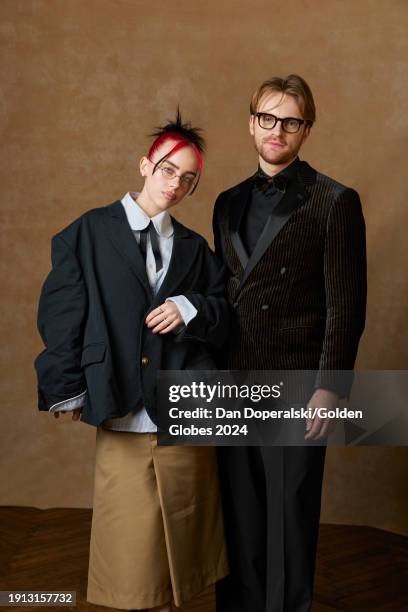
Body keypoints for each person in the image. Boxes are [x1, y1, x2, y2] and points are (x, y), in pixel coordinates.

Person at [35, 111, 229, 612]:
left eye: (189, 178)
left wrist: (191, 308)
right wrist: (66, 386)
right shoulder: (87, 233)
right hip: (120, 398)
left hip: (184, 407)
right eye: (168, 170)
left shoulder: (194, 248)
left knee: (182, 543)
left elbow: (226, 309)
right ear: (145, 165)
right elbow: (62, 315)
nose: (177, 184)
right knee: (130, 547)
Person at [213, 75, 367, 612]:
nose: (277, 130)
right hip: (233, 380)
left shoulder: (335, 200)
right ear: (251, 120)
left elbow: (344, 303)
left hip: (298, 381)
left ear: (307, 130)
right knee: (240, 516)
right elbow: (226, 292)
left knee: (289, 516)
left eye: (291, 121)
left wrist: (330, 386)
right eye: (267, 118)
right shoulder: (226, 201)